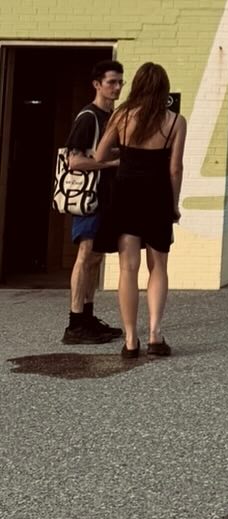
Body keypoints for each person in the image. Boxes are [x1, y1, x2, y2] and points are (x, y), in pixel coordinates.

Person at [92, 63, 186, 359]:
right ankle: (155, 336)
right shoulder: (175, 121)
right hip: (157, 196)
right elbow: (175, 169)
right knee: (158, 266)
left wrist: (124, 152)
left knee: (127, 268)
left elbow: (99, 155)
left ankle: (131, 340)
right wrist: (173, 205)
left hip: (126, 194)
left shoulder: (121, 115)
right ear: (163, 89)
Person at [61, 59, 125, 344]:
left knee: (96, 257)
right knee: (85, 255)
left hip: (106, 197)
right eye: (112, 82)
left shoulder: (111, 117)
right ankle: (75, 324)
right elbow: (74, 161)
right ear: (97, 84)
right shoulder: (88, 117)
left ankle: (87, 317)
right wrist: (110, 164)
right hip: (89, 197)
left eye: (120, 82)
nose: (117, 87)